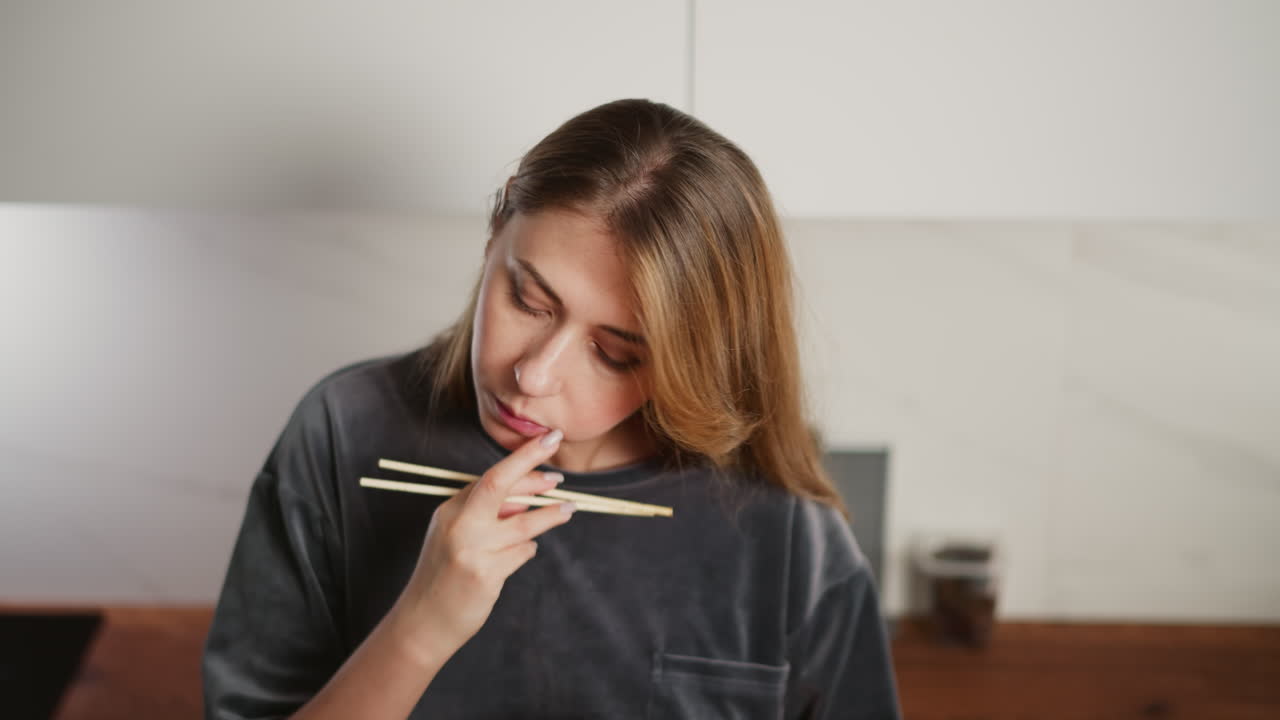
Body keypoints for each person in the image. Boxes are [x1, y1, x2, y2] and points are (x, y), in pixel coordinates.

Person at [202, 98, 903, 719]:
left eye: (616, 353)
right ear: (497, 227)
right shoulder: (343, 433)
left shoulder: (789, 539)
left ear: (689, 359)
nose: (533, 376)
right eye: (529, 302)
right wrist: (420, 630)